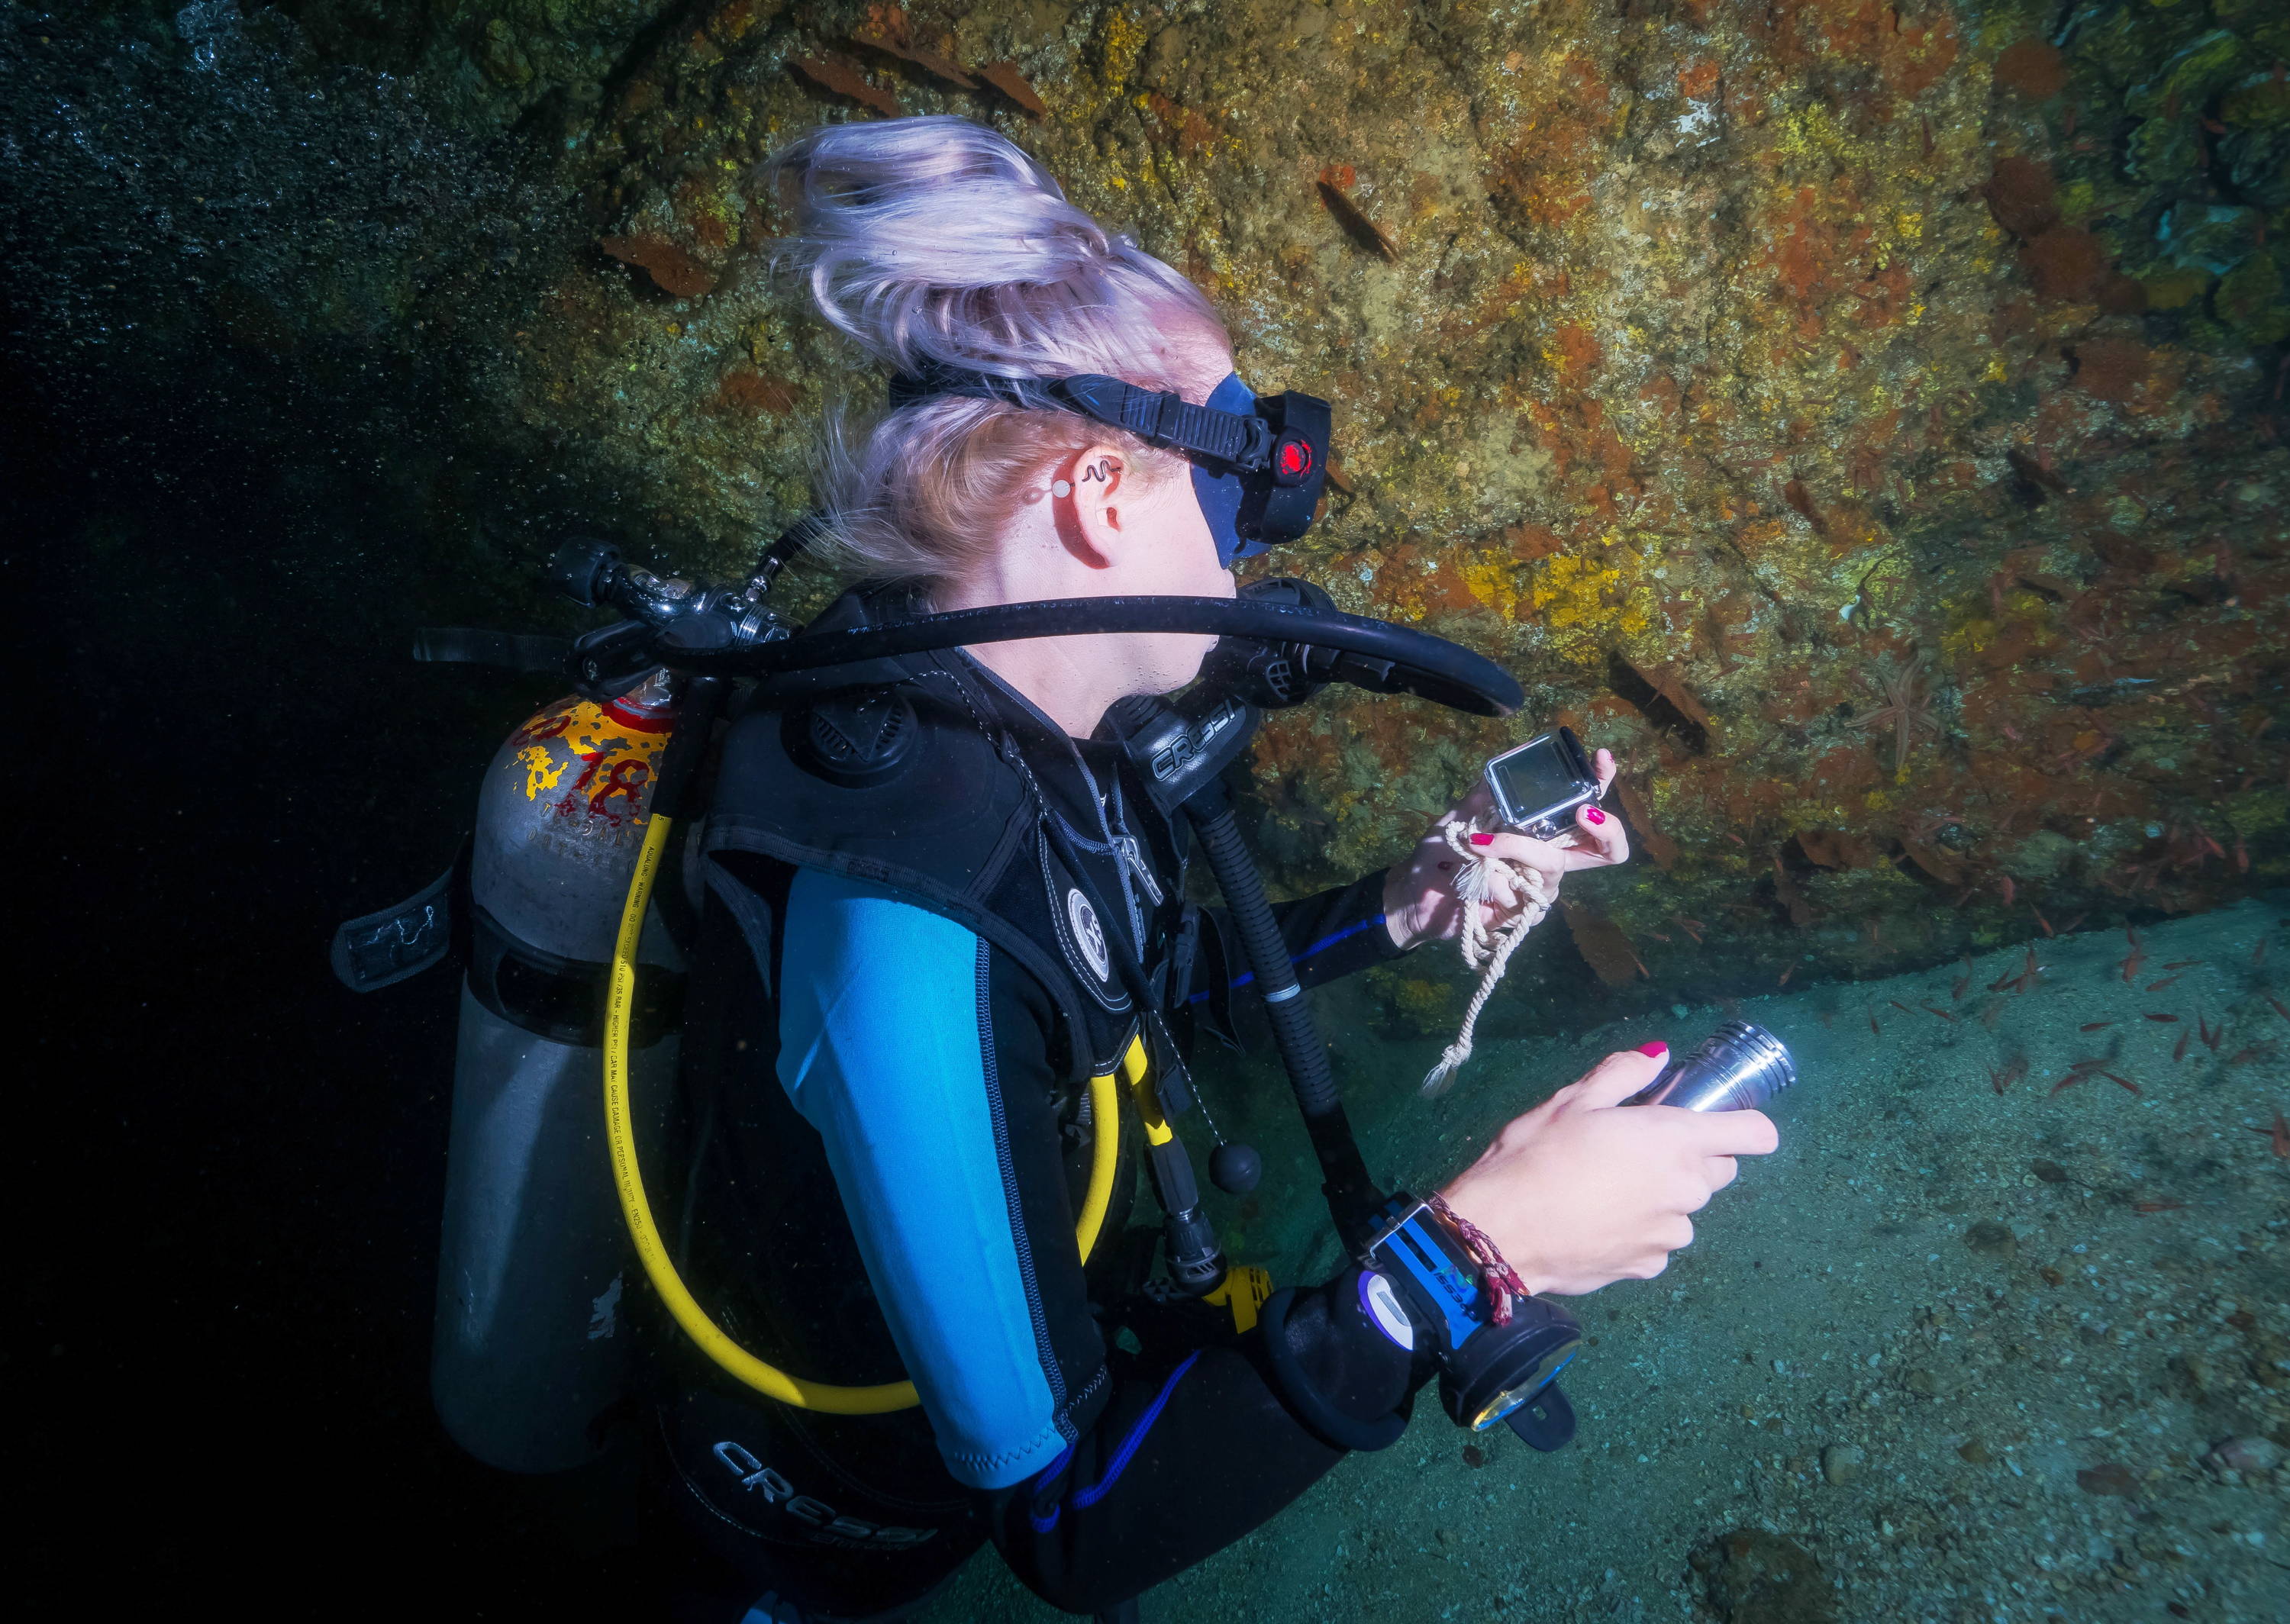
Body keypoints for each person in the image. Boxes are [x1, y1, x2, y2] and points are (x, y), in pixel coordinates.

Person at [650, 115, 1778, 1623]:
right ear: (1103, 494)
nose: (1249, 555)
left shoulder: (1014, 716)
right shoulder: (904, 924)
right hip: (821, 1516)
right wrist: (1473, 1252)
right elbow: (1069, 1522)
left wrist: (1410, 900)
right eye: (1239, 496)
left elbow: (1141, 973)